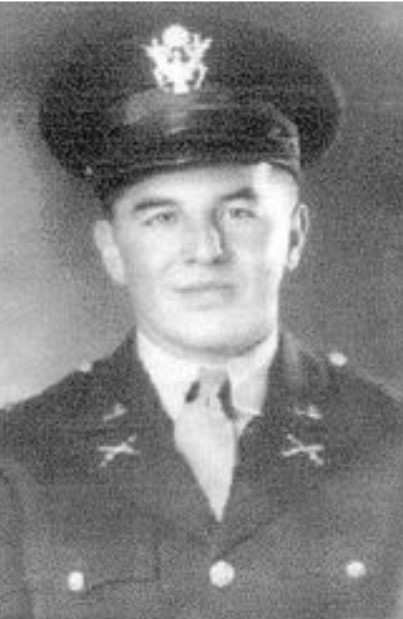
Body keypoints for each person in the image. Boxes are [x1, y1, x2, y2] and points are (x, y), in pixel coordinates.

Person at [1, 17, 403, 619]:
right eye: (161, 218)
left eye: (239, 213)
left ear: (294, 236)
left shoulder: (388, 439)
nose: (205, 250)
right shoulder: (22, 458)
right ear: (112, 250)